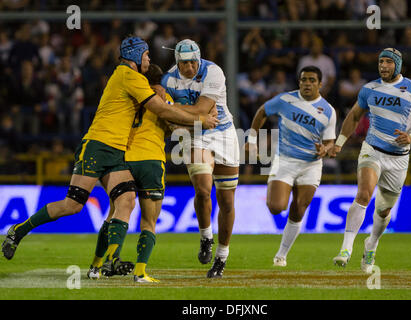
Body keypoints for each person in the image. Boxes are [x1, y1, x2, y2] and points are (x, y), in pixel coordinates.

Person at [1, 36, 218, 274]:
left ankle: (112, 260)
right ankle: (18, 230)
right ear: (135, 55)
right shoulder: (129, 76)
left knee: (126, 201)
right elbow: (162, 109)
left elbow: (167, 114)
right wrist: (200, 119)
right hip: (97, 145)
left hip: (117, 152)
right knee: (72, 205)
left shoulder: (131, 79)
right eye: (146, 55)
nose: (148, 59)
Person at [330, 48, 411, 273]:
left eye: (388, 62)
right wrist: (339, 143)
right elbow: (354, 116)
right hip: (373, 150)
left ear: (397, 65)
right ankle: (345, 249)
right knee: (364, 194)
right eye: (381, 62)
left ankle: (371, 245)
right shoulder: (369, 88)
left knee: (384, 211)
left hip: (398, 158)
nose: (383, 66)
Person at [87, 64, 175, 283]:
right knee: (149, 221)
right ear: (160, 82)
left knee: (113, 214)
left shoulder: (129, 96)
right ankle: (140, 272)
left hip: (123, 159)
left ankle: (96, 266)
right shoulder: (164, 97)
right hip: (151, 160)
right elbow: (174, 124)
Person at [161, 39, 240, 278]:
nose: (190, 67)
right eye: (184, 63)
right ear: (177, 62)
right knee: (204, 190)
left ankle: (222, 257)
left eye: (194, 61)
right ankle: (206, 236)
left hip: (224, 133)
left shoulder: (213, 71)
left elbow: (200, 110)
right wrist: (177, 117)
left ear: (200, 58)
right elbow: (169, 117)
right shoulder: (167, 80)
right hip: (195, 136)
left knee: (226, 201)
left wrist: (175, 115)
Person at [245, 66, 336, 266]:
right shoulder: (285, 100)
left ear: (320, 84)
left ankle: (281, 255)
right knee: (276, 207)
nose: (307, 83)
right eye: (304, 79)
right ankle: (282, 190)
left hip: (311, 164)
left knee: (298, 210)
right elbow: (262, 112)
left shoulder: (328, 111)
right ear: (299, 82)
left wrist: (325, 149)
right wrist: (252, 139)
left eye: (312, 80)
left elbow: (330, 141)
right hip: (285, 160)